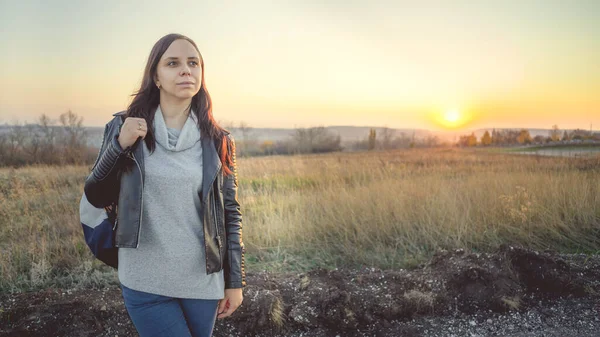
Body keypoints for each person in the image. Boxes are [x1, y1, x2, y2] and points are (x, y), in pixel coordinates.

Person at [83, 33, 246, 337]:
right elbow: (96, 194)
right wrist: (120, 145)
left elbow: (230, 214)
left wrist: (234, 281)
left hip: (202, 282)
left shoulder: (219, 141)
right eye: (173, 63)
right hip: (145, 280)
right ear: (155, 76)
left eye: (193, 63)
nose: (186, 70)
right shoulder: (124, 127)